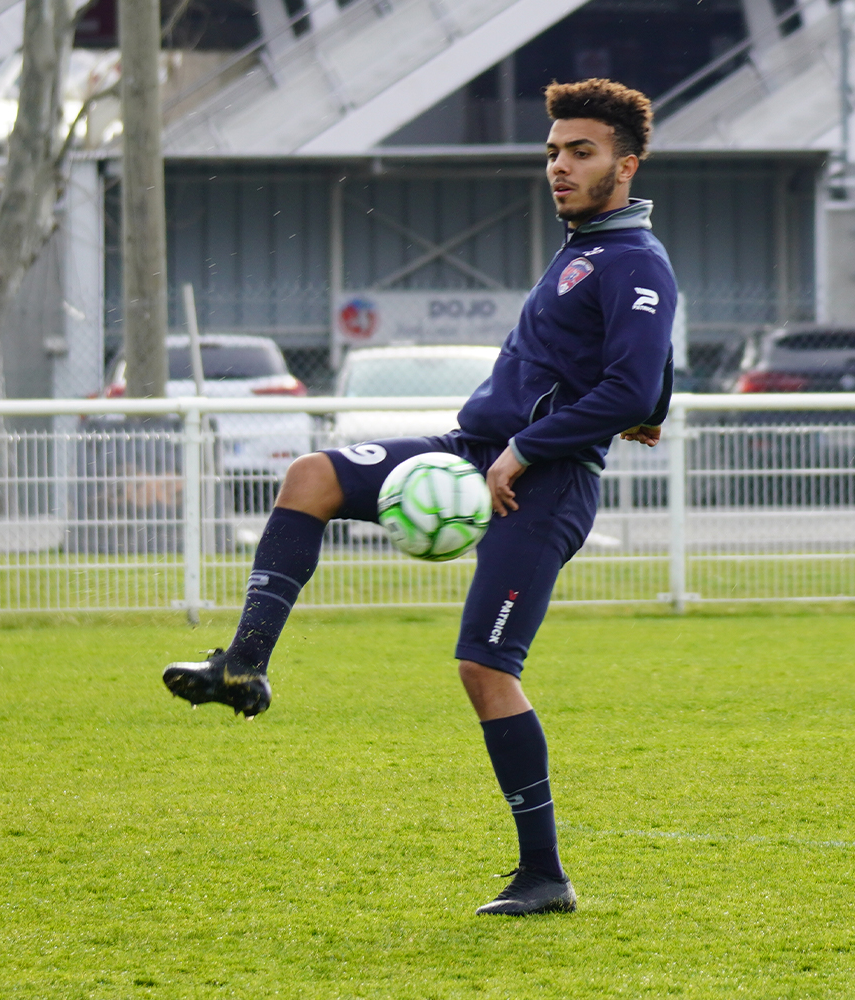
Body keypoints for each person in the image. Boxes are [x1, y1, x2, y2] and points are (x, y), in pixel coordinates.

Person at [162, 78, 677, 917]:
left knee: (485, 668)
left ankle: (544, 876)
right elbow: (638, 376)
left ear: (627, 164)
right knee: (311, 476)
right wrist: (638, 408)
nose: (559, 165)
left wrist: (536, 445)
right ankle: (242, 667)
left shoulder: (635, 259)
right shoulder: (585, 245)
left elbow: (634, 381)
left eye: (581, 152)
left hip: (543, 485)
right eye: (552, 151)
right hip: (472, 451)